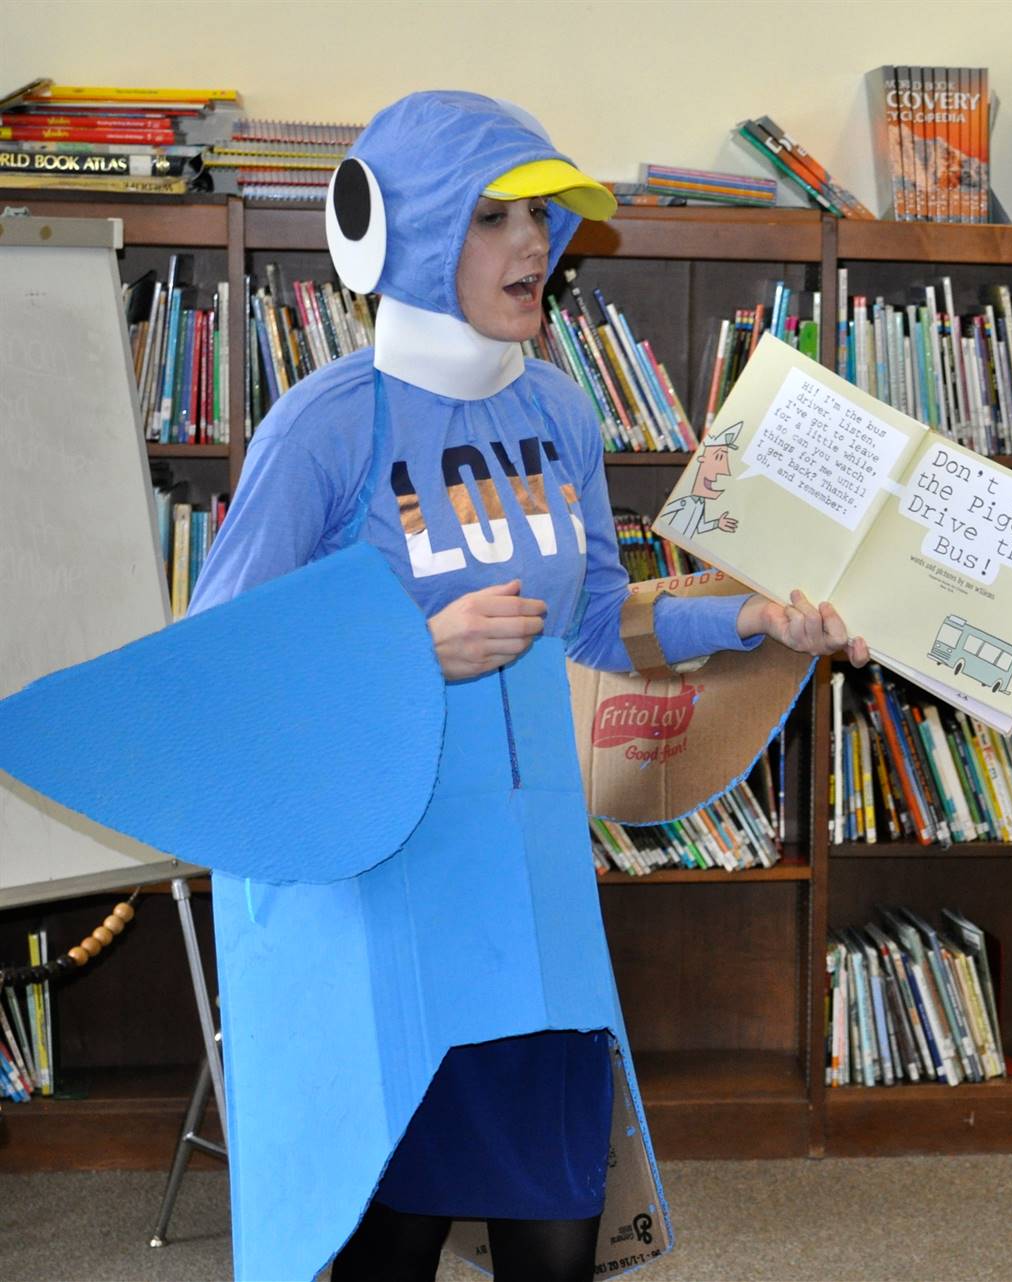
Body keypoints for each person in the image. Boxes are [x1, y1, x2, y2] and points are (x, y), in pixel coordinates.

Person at [186, 90, 863, 1281]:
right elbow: (219, 667)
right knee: (382, 1253)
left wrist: (746, 616)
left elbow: (600, 613)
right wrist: (410, 650)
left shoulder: (556, 407)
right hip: (387, 905)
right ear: (402, 230)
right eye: (495, 216)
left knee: (554, 1246)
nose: (533, 246)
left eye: (544, 217)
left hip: (539, 905)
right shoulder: (324, 429)